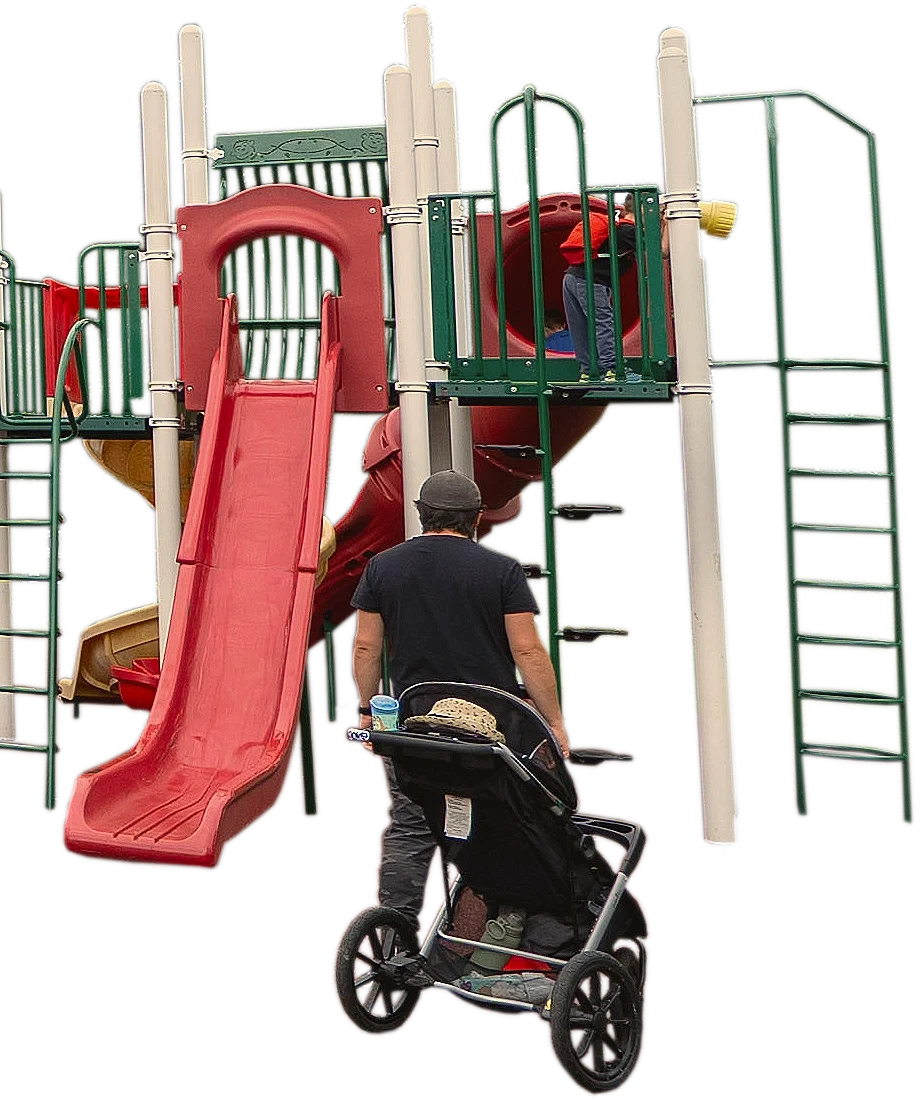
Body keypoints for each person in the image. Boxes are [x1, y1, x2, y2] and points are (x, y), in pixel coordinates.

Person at [350, 469, 572, 931]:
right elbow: (527, 650)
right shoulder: (502, 571)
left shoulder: (383, 568)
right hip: (488, 732)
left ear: (421, 515)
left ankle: (395, 933)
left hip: (416, 728)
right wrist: (553, 723)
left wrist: (371, 711)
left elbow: (367, 647)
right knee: (509, 817)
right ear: (476, 518)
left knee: (410, 825)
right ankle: (511, 925)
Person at [561, 193, 665, 383]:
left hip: (571, 278)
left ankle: (589, 371)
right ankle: (613, 369)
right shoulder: (629, 232)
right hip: (591, 282)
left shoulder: (616, 227)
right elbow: (663, 250)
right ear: (643, 212)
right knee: (603, 322)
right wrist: (665, 223)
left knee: (580, 326)